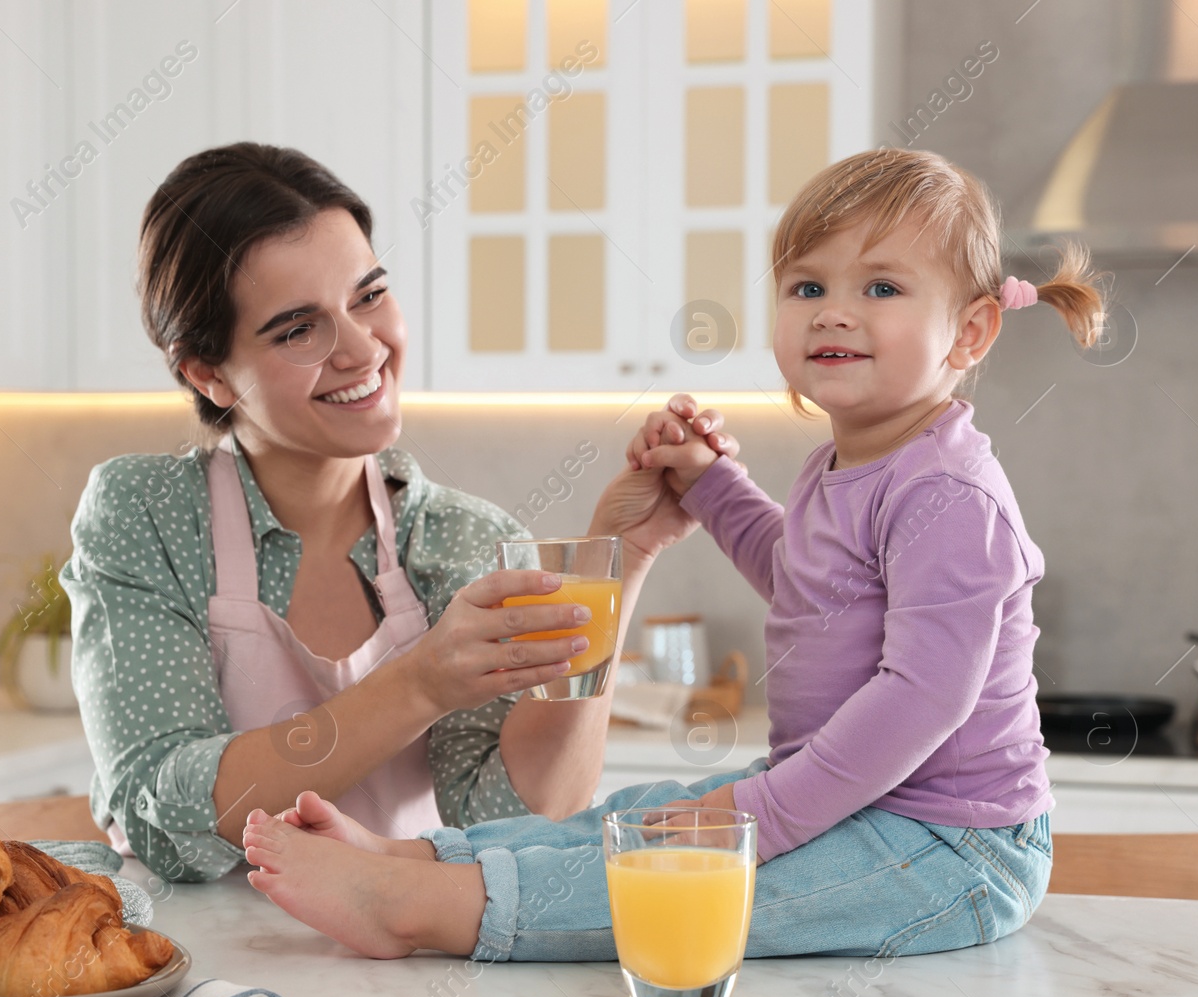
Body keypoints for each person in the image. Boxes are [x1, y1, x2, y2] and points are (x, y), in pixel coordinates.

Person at [237, 146, 1106, 962]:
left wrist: (755, 813)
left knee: (674, 881)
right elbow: (809, 586)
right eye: (807, 285)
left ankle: (418, 908)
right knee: (634, 819)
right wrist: (710, 486)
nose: (834, 310)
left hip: (949, 847)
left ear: (971, 332)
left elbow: (920, 703)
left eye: (881, 286)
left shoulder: (947, 496)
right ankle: (418, 859)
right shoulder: (848, 461)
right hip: (861, 805)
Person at [59, 143, 721, 883]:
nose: (361, 348)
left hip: (400, 962)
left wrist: (618, 563)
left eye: (368, 295)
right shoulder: (145, 514)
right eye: (297, 329)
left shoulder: (468, 537)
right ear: (208, 372)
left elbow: (521, 823)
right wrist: (421, 681)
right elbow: (161, 807)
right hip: (200, 970)